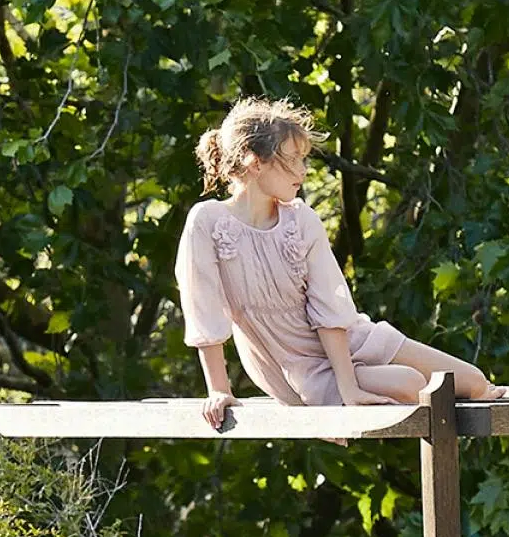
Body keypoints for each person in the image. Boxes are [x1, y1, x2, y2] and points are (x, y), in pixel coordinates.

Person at [179, 98, 491, 427]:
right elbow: (204, 312)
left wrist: (349, 386)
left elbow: (328, 308)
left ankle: (361, 378)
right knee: (410, 383)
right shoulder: (208, 221)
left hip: (346, 343)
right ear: (256, 164)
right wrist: (218, 390)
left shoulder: (300, 220)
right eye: (294, 160)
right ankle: (364, 380)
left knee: (474, 383)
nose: (303, 170)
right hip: (296, 367)